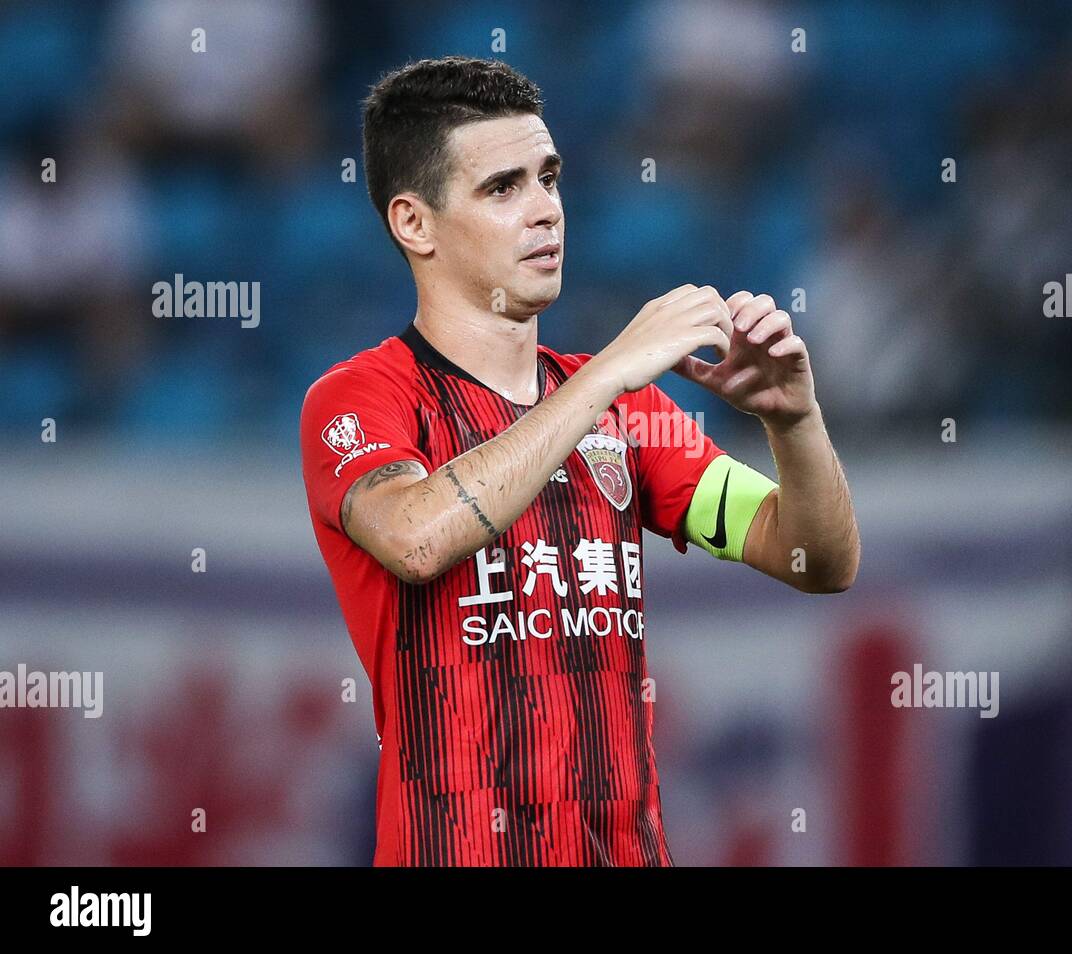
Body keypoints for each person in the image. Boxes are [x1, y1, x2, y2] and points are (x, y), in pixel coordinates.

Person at [299, 56, 859, 866]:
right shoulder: (361, 399)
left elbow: (816, 559)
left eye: (549, 178)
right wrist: (605, 374)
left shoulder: (627, 413)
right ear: (414, 223)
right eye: (502, 189)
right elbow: (416, 537)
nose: (545, 213)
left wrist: (795, 422)